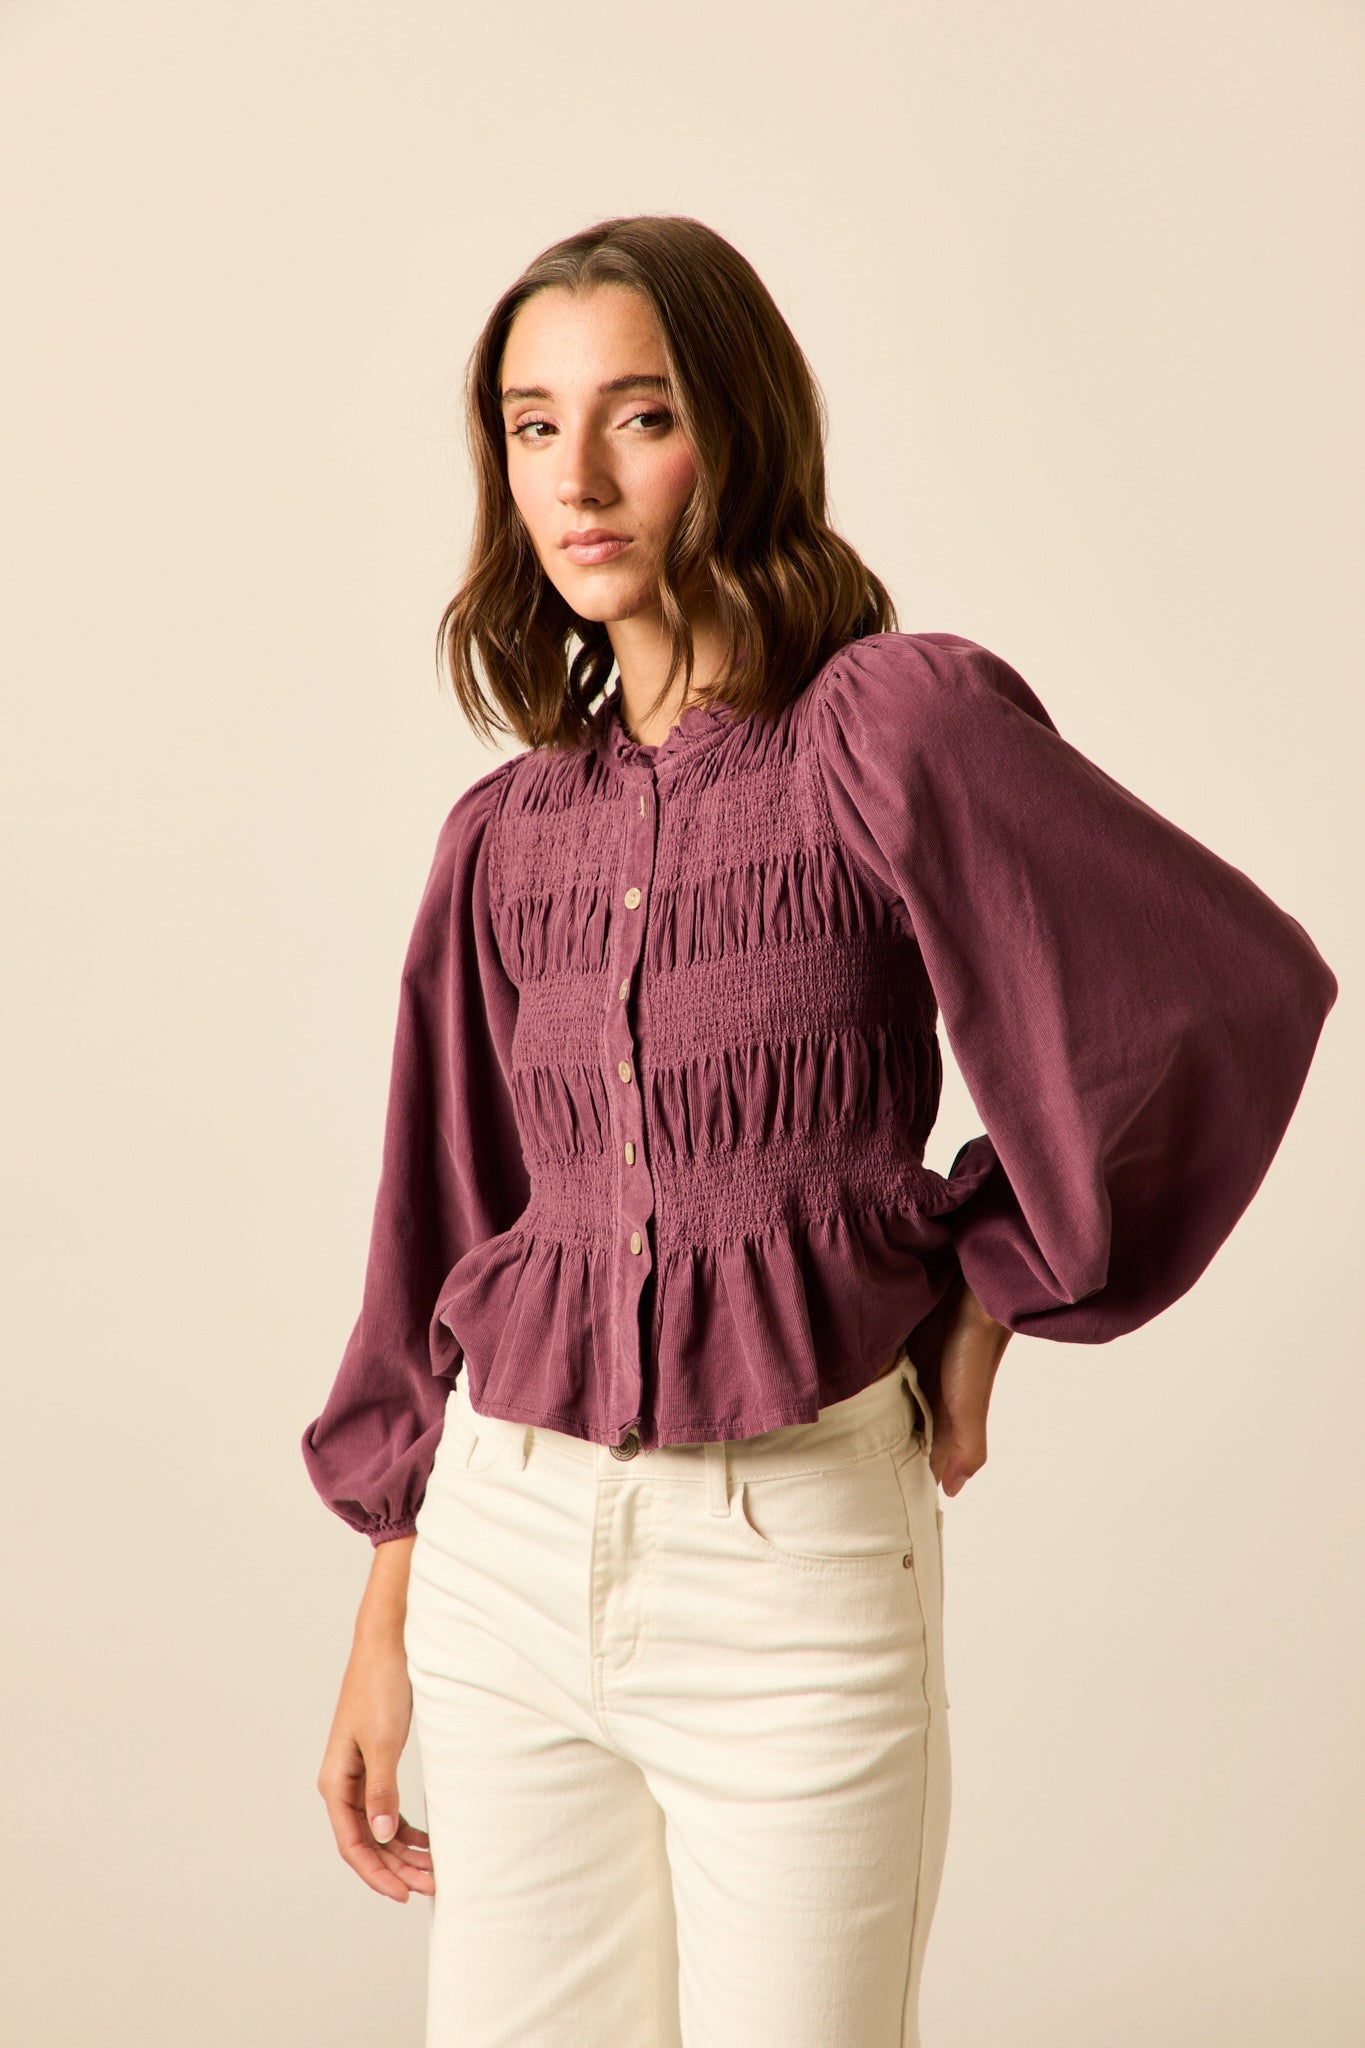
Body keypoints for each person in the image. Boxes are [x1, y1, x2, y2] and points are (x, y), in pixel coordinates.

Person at [299, 215, 1338, 2048]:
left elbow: (1208, 995)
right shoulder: (503, 837)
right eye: (533, 427)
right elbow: (440, 1225)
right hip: (502, 1563)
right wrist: (384, 1614)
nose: (578, 478)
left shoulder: (884, 729)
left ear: (740, 433)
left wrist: (990, 1291)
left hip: (788, 1569)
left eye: (639, 415)